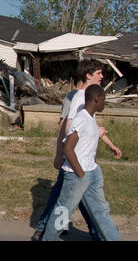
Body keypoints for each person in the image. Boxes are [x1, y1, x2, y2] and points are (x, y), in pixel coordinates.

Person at [31, 60, 120, 241]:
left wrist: (108, 143)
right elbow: (68, 128)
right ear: (88, 75)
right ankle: (47, 235)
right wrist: (67, 160)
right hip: (77, 167)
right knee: (64, 207)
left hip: (90, 167)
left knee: (97, 209)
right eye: (98, 73)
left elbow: (91, 126)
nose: (102, 76)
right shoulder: (80, 99)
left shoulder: (87, 103)